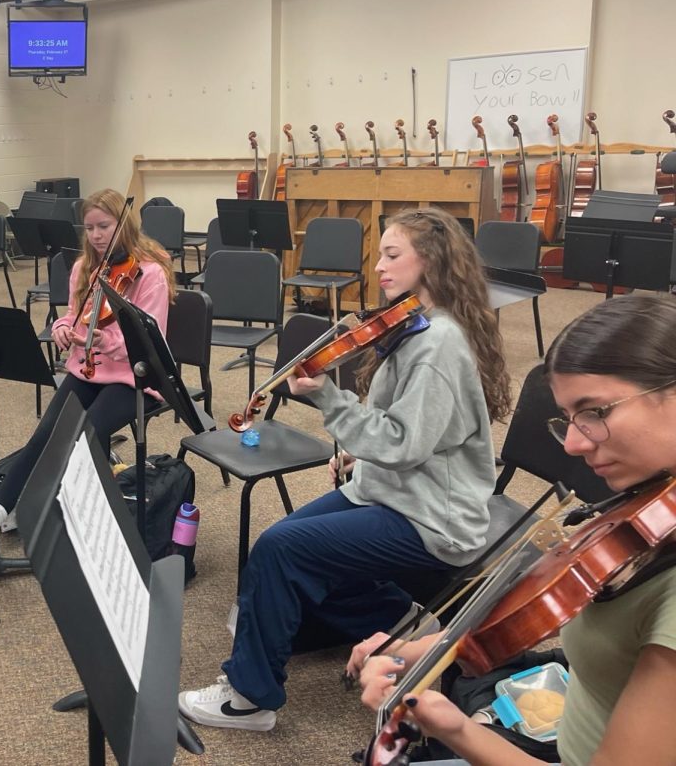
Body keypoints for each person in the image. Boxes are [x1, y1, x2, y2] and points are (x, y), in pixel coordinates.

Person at [179, 207, 512, 731]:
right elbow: (405, 427)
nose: (378, 265)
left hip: (433, 516)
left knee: (280, 551)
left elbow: (405, 443)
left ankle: (250, 699)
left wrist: (331, 399)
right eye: (380, 253)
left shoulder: (439, 344)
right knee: (286, 537)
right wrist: (360, 450)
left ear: (431, 262)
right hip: (391, 490)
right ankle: (386, 619)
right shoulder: (413, 324)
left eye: (392, 254)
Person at [353, 295, 676, 766]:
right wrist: (418, 649)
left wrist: (456, 728)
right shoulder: (652, 505)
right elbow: (552, 609)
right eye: (567, 418)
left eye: (595, 412)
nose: (573, 443)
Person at [0, 188, 176, 554]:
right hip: (87, 371)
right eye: (90, 228)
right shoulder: (86, 267)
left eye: (104, 226)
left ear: (123, 225)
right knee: (45, 436)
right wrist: (63, 327)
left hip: (135, 378)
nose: (96, 236)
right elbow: (71, 313)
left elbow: (150, 342)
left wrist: (106, 342)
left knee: (80, 442)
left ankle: (51, 515)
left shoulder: (150, 274)